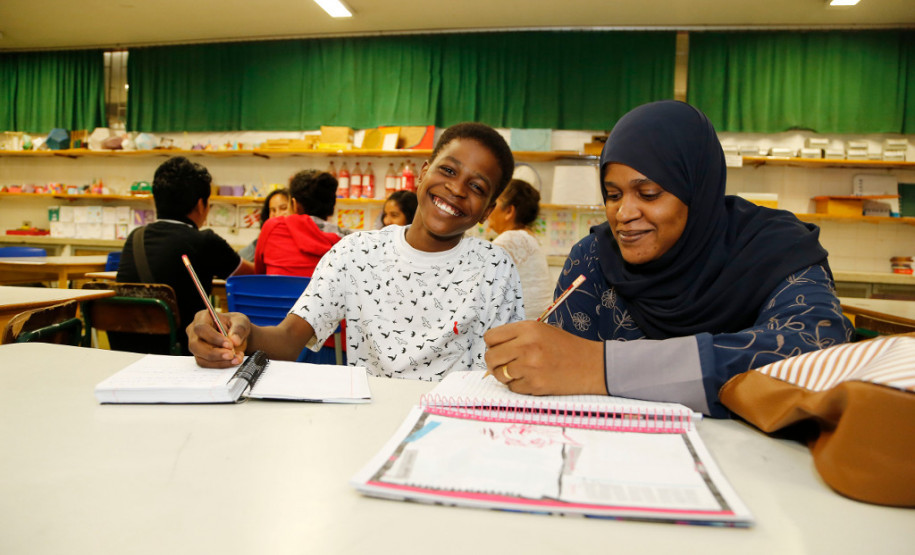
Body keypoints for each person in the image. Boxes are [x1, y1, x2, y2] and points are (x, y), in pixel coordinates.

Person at [483, 101, 854, 417]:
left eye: (648, 193)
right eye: (613, 195)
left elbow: (818, 353)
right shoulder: (593, 259)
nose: (623, 214)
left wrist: (600, 367)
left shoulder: (774, 249)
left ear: (696, 188)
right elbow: (555, 377)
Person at [188, 122, 525, 380]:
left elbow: (501, 370)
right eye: (448, 170)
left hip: (449, 425)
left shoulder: (495, 267)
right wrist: (242, 331)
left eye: (476, 186)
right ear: (423, 173)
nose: (456, 188)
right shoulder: (356, 253)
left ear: (487, 210)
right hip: (368, 421)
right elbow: (289, 339)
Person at [117, 156, 255, 354]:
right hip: (185, 351)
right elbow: (251, 277)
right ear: (200, 204)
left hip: (125, 350)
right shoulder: (205, 241)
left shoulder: (135, 237)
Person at [254, 171, 342, 276]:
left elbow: (259, 273)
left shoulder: (272, 227)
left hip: (278, 287)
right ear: (332, 206)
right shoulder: (346, 241)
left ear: (294, 204)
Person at [486, 178, 552, 318]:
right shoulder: (528, 236)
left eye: (493, 203)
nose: (488, 209)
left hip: (525, 325)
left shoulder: (510, 239)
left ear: (509, 211)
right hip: (538, 323)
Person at [238, 188, 290, 262]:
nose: (277, 214)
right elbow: (237, 260)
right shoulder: (263, 239)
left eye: (283, 208)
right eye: (273, 210)